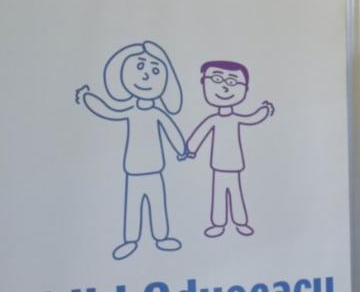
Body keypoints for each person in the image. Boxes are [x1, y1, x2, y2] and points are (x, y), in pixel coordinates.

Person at [75, 40, 187, 261]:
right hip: (134, 170)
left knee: (157, 204)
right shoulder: (129, 109)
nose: (146, 75)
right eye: (140, 66)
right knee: (133, 206)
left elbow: (172, 131)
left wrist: (181, 149)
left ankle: (162, 237)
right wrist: (88, 98)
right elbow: (108, 110)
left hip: (155, 169)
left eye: (156, 71)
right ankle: (130, 240)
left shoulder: (157, 113)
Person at [186, 60, 276, 238]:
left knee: (236, 193)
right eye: (216, 79)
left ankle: (240, 222)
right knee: (218, 195)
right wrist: (190, 150)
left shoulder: (236, 118)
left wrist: (264, 111)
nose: (225, 87)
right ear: (204, 83)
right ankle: (218, 224)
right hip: (218, 166)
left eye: (233, 82)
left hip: (234, 164)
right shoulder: (213, 120)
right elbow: (199, 134)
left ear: (245, 90)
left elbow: (252, 118)